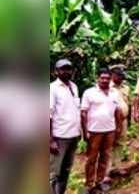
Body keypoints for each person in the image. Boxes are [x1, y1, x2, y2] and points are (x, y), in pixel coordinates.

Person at [81, 68, 122, 193]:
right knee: (91, 159)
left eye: (107, 78)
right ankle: (89, 184)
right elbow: (83, 113)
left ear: (110, 79)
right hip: (94, 131)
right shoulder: (89, 92)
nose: (105, 80)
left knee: (105, 157)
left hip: (110, 130)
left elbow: (117, 111)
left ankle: (99, 181)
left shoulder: (114, 93)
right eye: (102, 78)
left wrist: (118, 127)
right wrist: (85, 131)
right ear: (97, 78)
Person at [50, 59, 81, 194]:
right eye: (63, 69)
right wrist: (50, 140)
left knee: (66, 170)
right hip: (59, 137)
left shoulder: (74, 86)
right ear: (56, 72)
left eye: (69, 69)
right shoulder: (52, 88)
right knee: (54, 172)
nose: (66, 71)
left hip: (73, 135)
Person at [110, 65, 131, 145]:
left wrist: (129, 121)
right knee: (110, 143)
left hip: (123, 120)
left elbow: (128, 104)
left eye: (121, 76)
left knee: (121, 142)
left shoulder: (126, 88)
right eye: (118, 75)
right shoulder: (107, 87)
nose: (120, 78)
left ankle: (119, 157)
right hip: (112, 120)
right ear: (112, 75)